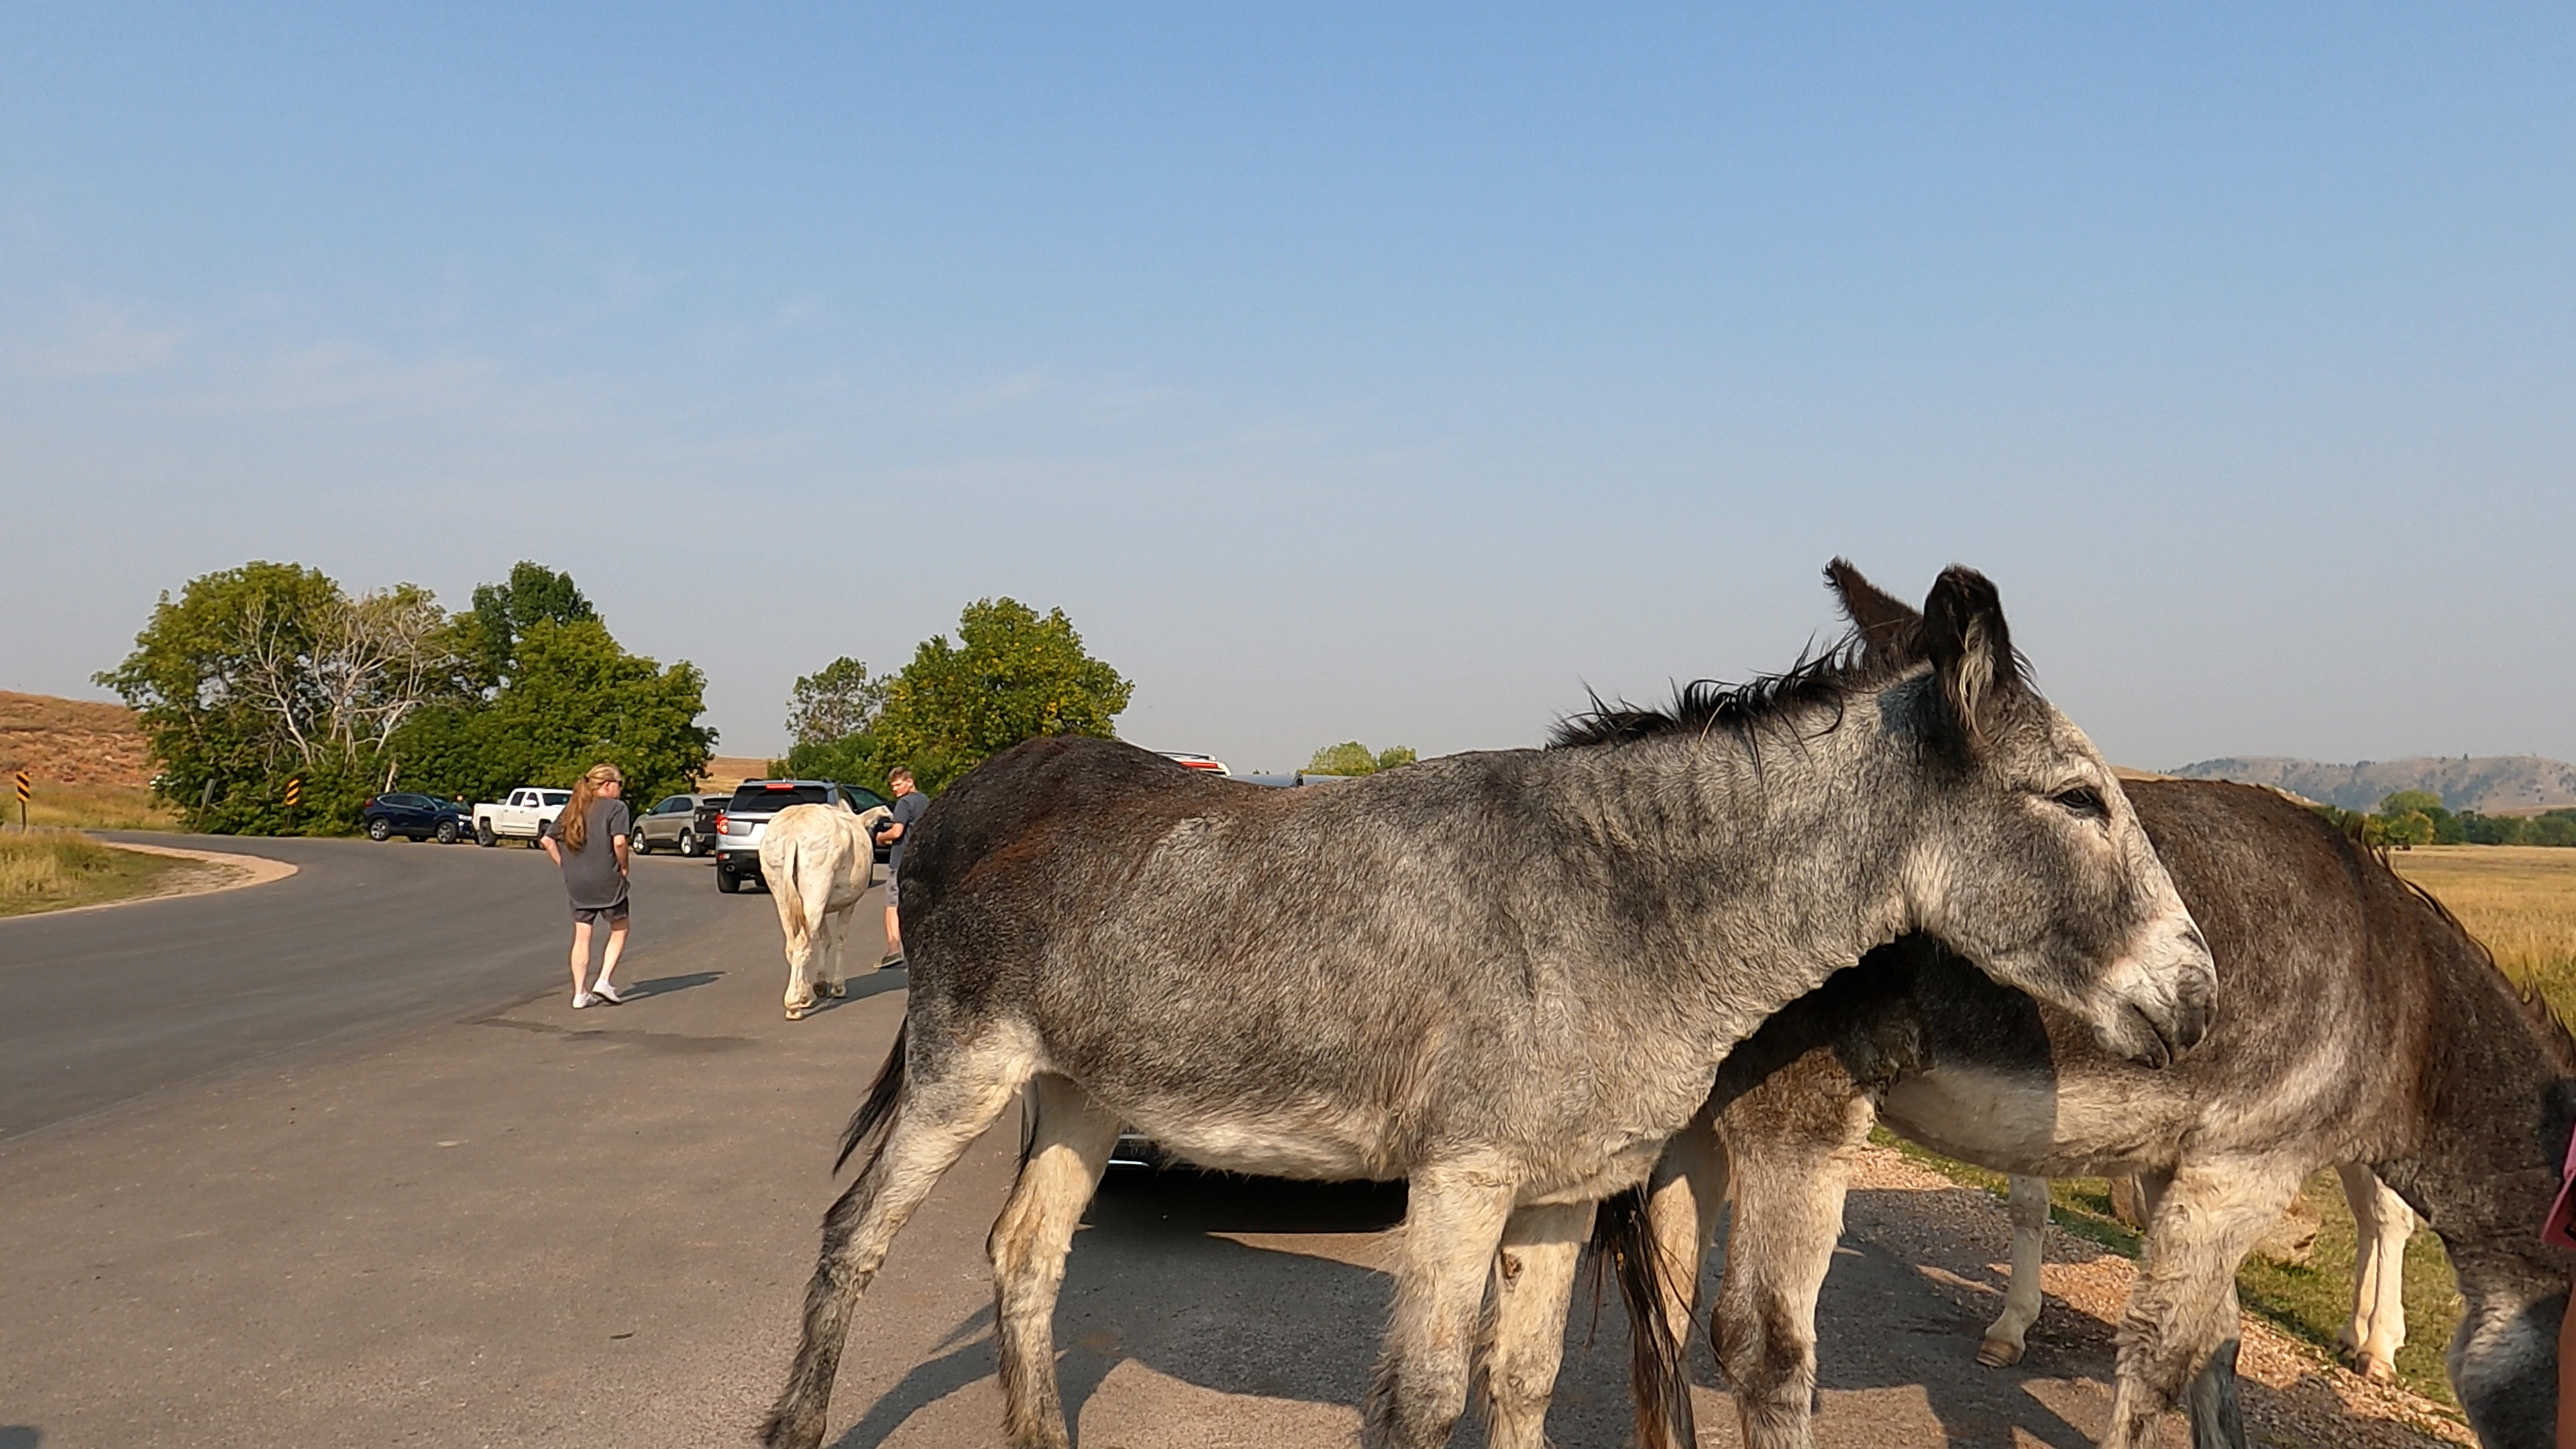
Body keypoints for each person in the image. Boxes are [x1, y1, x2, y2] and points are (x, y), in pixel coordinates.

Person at [541, 762, 632, 1008]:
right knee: (620, 927)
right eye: (619, 784)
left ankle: (579, 993)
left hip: (578, 882)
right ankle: (603, 980)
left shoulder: (574, 809)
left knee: (582, 934)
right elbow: (620, 843)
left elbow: (548, 840)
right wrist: (624, 867)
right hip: (607, 879)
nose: (620, 790)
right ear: (607, 785)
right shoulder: (617, 808)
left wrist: (565, 866)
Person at [873, 766, 928, 968]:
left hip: (900, 861)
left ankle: (893, 949)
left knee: (892, 905)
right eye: (893, 786)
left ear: (909, 781)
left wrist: (881, 837)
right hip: (919, 860)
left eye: (898, 785)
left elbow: (897, 832)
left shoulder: (904, 804)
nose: (895, 790)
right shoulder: (925, 800)